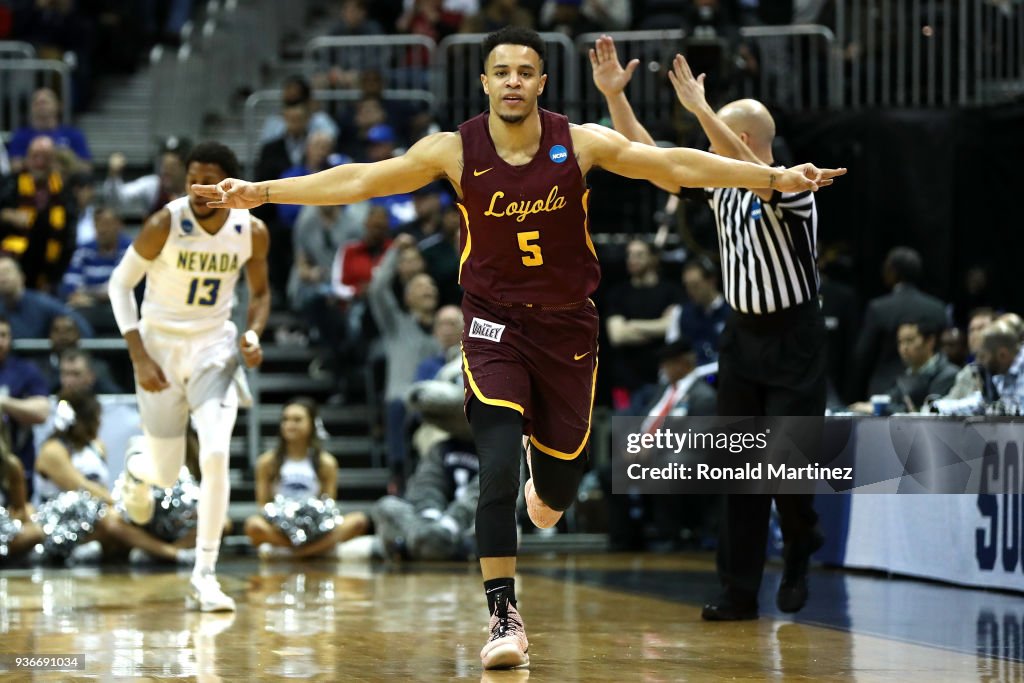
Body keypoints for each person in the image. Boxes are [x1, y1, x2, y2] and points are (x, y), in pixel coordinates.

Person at [192, 26, 842, 669]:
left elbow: (672, 163)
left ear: (541, 82)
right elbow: (364, 179)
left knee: (555, 495)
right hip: (493, 324)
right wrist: (265, 191)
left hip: (566, 331)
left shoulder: (577, 143)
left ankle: (548, 477)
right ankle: (503, 612)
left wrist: (776, 176)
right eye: (500, 71)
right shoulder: (455, 149)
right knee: (495, 466)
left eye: (524, 71)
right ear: (484, 82)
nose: (512, 81)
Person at [590, 36, 840, 619]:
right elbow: (646, 157)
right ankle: (738, 592)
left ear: (744, 141)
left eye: (713, 135)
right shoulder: (716, 186)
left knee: (787, 469)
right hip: (743, 338)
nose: (704, 145)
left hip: (795, 337)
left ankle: (802, 538)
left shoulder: (793, 188)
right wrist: (614, 98)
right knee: (740, 470)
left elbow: (758, 176)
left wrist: (703, 109)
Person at [108, 142, 270, 612]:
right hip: (158, 347)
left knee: (216, 453)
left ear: (231, 183)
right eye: (191, 179)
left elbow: (259, 294)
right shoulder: (166, 222)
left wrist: (253, 334)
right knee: (165, 473)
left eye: (210, 180)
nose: (199, 189)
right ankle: (138, 470)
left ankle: (205, 574)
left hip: (213, 347)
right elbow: (120, 284)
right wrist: (138, 354)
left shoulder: (252, 231)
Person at [244, 398, 371, 559]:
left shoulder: (326, 463)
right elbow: (263, 504)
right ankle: (314, 551)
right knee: (253, 525)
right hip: (282, 527)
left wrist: (312, 522)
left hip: (314, 527)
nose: (290, 424)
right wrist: (283, 522)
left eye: (297, 420)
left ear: (311, 424)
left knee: (359, 521)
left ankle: (297, 553)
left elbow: (329, 503)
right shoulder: (267, 462)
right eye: (285, 419)